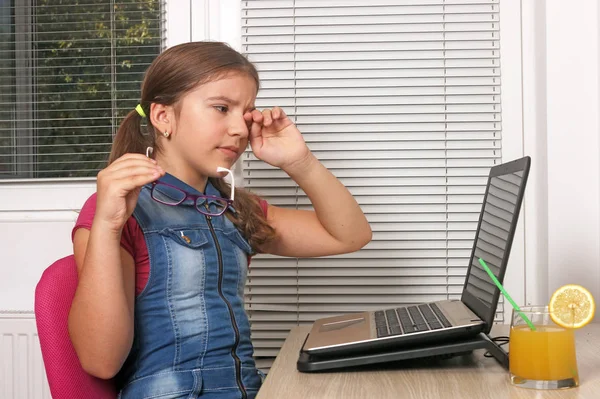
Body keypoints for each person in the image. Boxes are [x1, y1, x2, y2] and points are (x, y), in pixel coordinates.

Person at [68, 41, 372, 399]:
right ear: (163, 117)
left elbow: (349, 236)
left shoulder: (234, 210)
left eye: (245, 113)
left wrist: (299, 161)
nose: (241, 130)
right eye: (221, 108)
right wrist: (107, 225)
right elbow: (100, 361)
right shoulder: (118, 209)